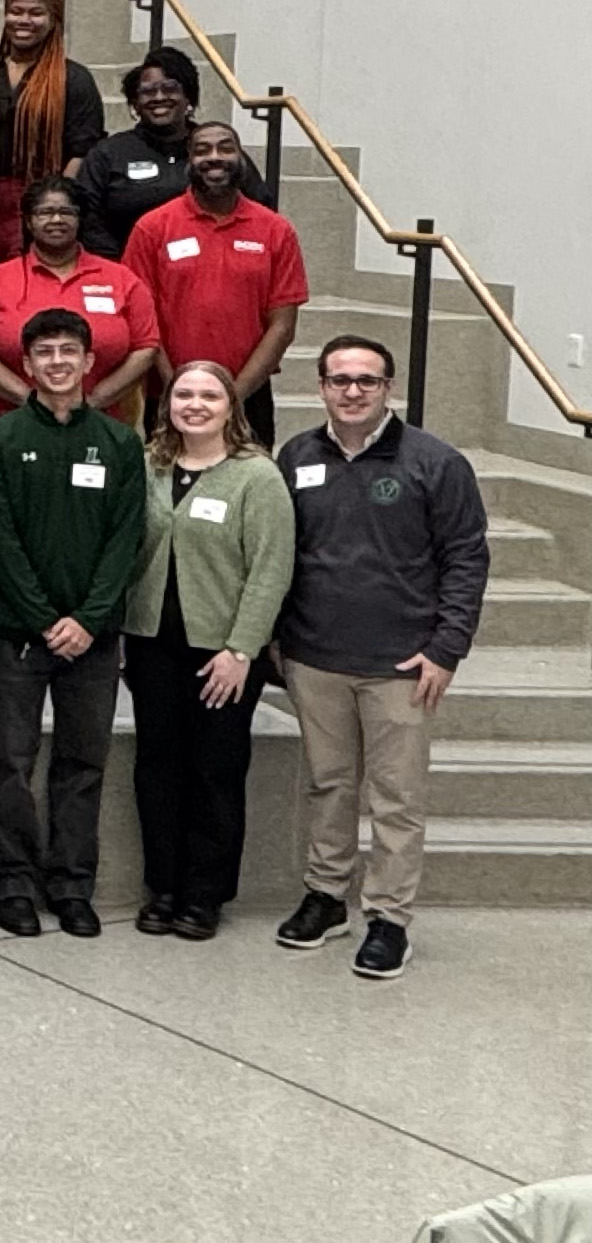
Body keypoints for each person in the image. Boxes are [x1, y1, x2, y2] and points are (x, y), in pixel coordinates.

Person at [272, 336, 489, 981]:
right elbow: (284, 554)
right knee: (328, 784)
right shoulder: (297, 456)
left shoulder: (435, 462)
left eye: (367, 380)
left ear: (388, 388)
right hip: (315, 658)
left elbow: (467, 559)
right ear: (321, 388)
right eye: (340, 380)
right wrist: (280, 641)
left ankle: (389, 918)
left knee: (396, 797)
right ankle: (327, 897)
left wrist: (446, 649)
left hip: (403, 663)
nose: (353, 391)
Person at [0, 306, 149, 939]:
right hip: (19, 633)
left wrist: (89, 618)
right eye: (43, 353)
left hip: (94, 641)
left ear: (89, 361)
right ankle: (13, 883)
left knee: (83, 763)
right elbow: (0, 540)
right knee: (9, 762)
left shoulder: (121, 443)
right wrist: (48, 618)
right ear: (26, 365)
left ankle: (73, 886)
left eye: (68, 352)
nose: (56, 363)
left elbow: (127, 540)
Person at [121, 362, 295, 942]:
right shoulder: (148, 466)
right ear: (168, 401)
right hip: (151, 645)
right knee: (157, 769)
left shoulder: (256, 477)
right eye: (184, 393)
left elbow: (271, 570)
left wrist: (241, 650)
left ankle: (203, 894)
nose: (195, 404)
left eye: (209, 395)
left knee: (215, 773)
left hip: (222, 653)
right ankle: (162, 888)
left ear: (231, 405)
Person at [123, 122, 309, 448]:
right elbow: (142, 323)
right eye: (202, 150)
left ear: (241, 158)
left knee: (250, 492)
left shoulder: (275, 230)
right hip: (170, 396)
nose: (214, 157)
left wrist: (232, 397)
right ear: (188, 162)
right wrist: (178, 391)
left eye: (225, 148)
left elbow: (282, 326)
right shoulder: (152, 228)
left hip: (249, 396)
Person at [0, 177, 162, 427]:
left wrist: (92, 401)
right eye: (45, 213)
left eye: (66, 212)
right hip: (9, 423)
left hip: (101, 421)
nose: (57, 220)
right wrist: (32, 402)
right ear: (28, 221)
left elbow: (146, 346)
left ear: (80, 219)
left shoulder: (121, 279)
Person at [78, 48, 274, 257]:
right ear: (135, 103)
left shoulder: (216, 152)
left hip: (212, 270)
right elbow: (86, 216)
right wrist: (124, 269)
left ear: (188, 96)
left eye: (170, 88)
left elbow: (259, 208)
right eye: (147, 91)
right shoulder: (108, 153)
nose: (159, 97)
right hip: (128, 272)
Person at [0, 0, 105, 270]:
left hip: (45, 200)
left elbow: (83, 150)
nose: (24, 20)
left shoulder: (74, 78)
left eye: (36, 13)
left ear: (53, 21)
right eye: (16, 11)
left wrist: (55, 200)